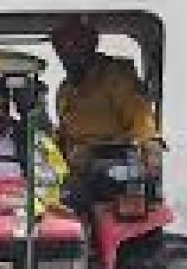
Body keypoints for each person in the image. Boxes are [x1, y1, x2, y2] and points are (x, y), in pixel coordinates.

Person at [52, 14, 160, 172]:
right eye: (63, 48)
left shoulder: (116, 78)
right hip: (76, 170)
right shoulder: (65, 90)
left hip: (116, 165)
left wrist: (149, 149)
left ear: (91, 46)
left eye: (76, 45)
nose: (69, 55)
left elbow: (141, 122)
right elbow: (64, 134)